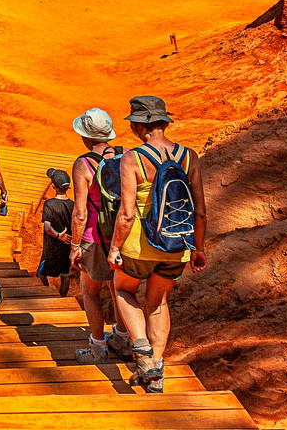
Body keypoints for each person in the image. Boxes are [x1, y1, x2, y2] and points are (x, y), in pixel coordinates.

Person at [107, 96, 208, 394]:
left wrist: (114, 247)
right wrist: (198, 248)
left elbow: (126, 213)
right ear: (164, 122)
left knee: (123, 289)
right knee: (158, 301)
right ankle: (158, 369)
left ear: (139, 126)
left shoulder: (132, 159)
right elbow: (200, 210)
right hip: (177, 244)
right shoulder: (189, 156)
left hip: (140, 243)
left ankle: (141, 350)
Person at [68, 107, 130, 366]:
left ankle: (98, 346)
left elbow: (80, 212)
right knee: (121, 289)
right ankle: (124, 337)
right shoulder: (126, 155)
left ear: (85, 137)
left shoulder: (83, 164)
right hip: (122, 235)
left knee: (90, 291)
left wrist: (74, 245)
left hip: (93, 237)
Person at [39, 169, 75, 297]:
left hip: (52, 247)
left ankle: (47, 293)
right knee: (64, 275)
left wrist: (58, 235)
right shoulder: (72, 204)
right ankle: (62, 298)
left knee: (41, 274)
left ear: (53, 186)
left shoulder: (49, 204)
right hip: (67, 246)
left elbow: (48, 227)